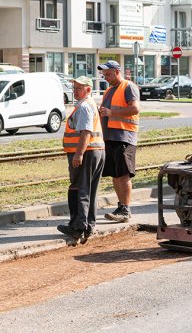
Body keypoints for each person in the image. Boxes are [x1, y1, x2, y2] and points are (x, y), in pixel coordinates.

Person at [57, 76, 105, 240]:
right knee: (90, 190)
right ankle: (88, 226)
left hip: (87, 152)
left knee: (80, 189)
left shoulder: (84, 106)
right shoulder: (89, 104)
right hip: (96, 150)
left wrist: (79, 154)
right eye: (74, 87)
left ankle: (78, 227)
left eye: (79, 88)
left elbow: (86, 132)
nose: (75, 91)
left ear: (88, 90)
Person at [97, 60, 140, 222]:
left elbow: (135, 108)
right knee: (115, 175)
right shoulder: (109, 90)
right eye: (104, 74)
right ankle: (121, 206)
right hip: (110, 137)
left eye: (108, 74)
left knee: (123, 175)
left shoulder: (128, 87)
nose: (105, 77)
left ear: (116, 71)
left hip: (124, 137)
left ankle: (126, 209)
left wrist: (111, 112)